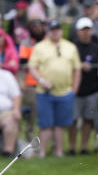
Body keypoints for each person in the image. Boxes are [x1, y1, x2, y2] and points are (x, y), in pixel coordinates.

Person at [29, 20, 81, 157]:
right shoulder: (39, 47)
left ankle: (58, 151)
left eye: (57, 29)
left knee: (60, 124)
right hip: (45, 92)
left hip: (65, 91)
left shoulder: (70, 47)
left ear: (61, 31)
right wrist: (41, 80)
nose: (55, 32)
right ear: (48, 31)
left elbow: (77, 69)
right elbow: (32, 67)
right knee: (45, 124)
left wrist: (74, 89)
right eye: (52, 30)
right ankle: (42, 151)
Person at [73, 17, 98, 155]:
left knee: (88, 120)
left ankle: (84, 147)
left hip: (92, 89)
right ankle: (72, 147)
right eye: (83, 30)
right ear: (78, 32)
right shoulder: (73, 48)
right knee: (72, 120)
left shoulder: (97, 48)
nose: (86, 33)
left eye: (88, 29)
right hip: (76, 90)